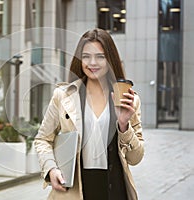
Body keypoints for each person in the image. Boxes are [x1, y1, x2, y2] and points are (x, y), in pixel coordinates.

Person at [34, 28, 144, 200]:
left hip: (115, 189)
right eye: (86, 56)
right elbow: (43, 139)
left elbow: (136, 158)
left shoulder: (129, 99)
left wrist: (124, 126)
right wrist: (51, 169)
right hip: (74, 190)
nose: (92, 62)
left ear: (110, 59)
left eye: (100, 56)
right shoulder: (63, 96)